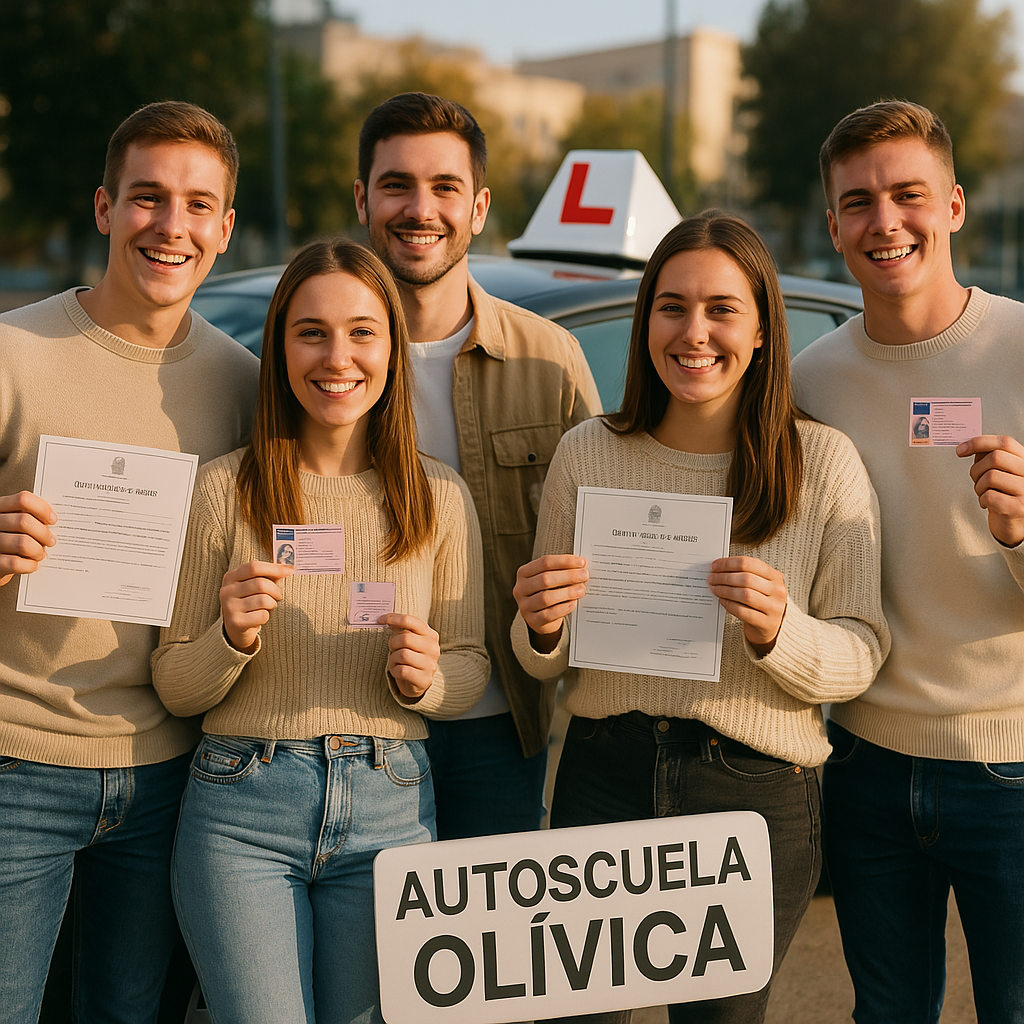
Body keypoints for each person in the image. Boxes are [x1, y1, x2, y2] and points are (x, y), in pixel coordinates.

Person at [512, 211, 889, 1023]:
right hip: (603, 775)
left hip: (752, 790)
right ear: (646, 320)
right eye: (672, 307)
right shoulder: (588, 452)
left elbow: (862, 650)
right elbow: (546, 655)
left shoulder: (822, 462)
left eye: (722, 309)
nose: (694, 332)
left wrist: (780, 631)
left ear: (762, 332)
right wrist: (540, 625)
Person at [150, 239, 489, 1024]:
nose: (338, 357)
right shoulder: (223, 491)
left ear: (392, 350)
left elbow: (470, 666)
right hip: (242, 810)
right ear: (279, 348)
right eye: (312, 333)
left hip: (391, 807)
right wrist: (229, 639)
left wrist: (428, 678)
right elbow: (174, 683)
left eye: (362, 332)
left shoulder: (439, 497)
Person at [0, 101, 259, 1023]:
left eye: (198, 205)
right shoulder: (12, 354)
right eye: (148, 197)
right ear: (106, 207)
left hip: (170, 777)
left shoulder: (243, 384)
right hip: (16, 761)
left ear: (225, 228)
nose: (170, 225)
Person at [791, 99, 1024, 1024]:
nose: (884, 221)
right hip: (865, 764)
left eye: (908, 195)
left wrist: (1020, 533)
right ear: (834, 226)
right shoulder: (810, 381)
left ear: (955, 205)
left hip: (1011, 766)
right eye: (858, 202)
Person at [353, 92, 601, 839]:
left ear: (480, 207)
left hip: (499, 733)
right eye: (396, 185)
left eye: (445, 187)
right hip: (348, 726)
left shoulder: (549, 359)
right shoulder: (315, 360)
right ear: (362, 199)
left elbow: (602, 536)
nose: (420, 209)